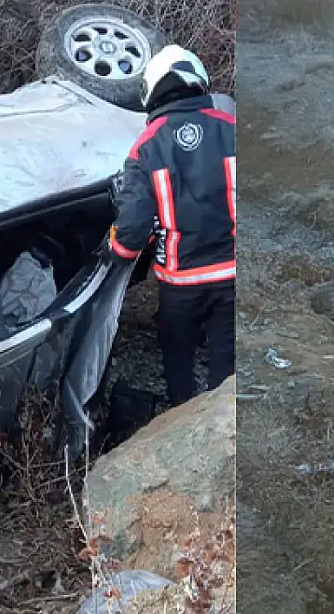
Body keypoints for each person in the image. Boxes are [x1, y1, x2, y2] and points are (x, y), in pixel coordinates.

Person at [106, 44, 237, 406]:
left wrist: (115, 251)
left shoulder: (145, 147)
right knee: (226, 368)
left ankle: (182, 426)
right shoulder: (232, 128)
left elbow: (133, 228)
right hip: (233, 275)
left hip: (181, 284)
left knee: (178, 362)